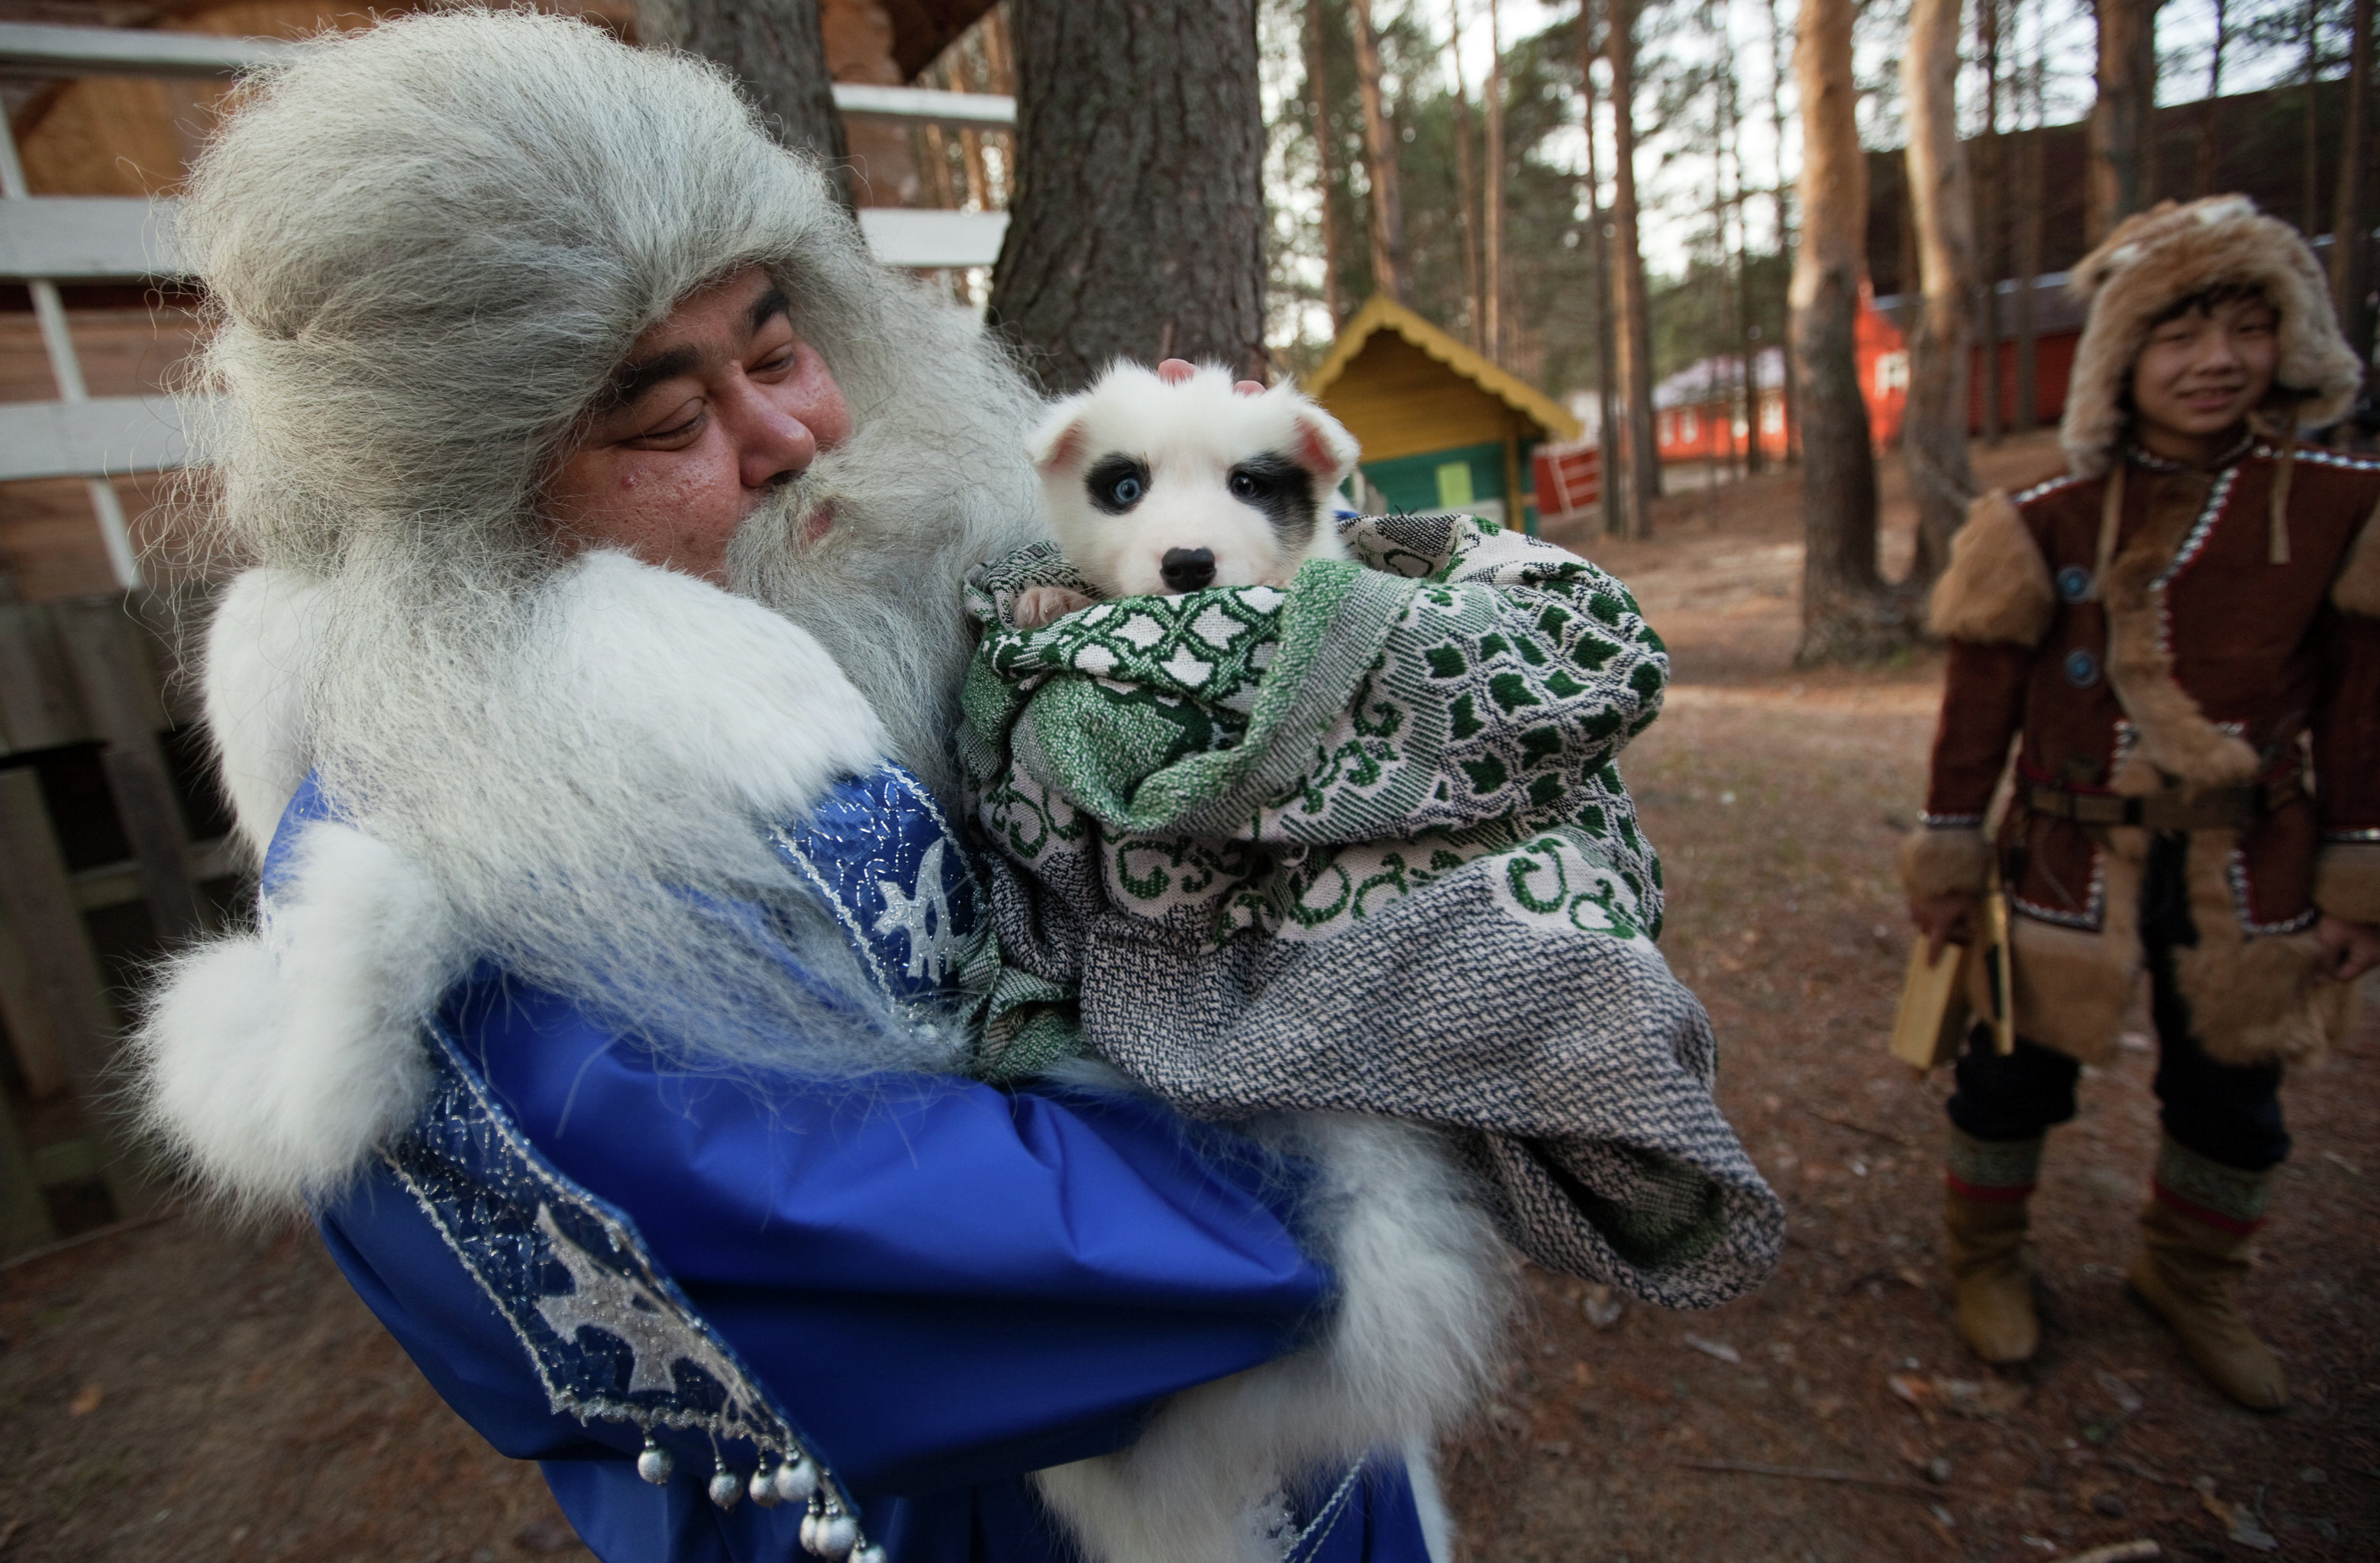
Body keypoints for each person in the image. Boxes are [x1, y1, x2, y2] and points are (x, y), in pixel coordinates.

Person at [133, 12, 1511, 1561]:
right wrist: (1420, 1043)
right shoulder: (447, 948)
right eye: (666, 418)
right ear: (466, 513)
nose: (792, 433)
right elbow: (1029, 1262)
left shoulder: (850, 591)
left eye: (777, 342)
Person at [1900, 195, 2380, 1410]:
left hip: (2248, 862)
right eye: (2176, 335)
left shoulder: (2340, 508)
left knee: (2233, 1092)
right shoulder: (2038, 523)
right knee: (2008, 1076)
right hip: (2062, 860)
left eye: (2244, 326)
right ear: (2121, 358)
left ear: (2290, 338)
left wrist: (2356, 883)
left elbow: (2360, 711)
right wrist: (1950, 869)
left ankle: (2189, 1280)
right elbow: (1973, 728)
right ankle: (1986, 1263)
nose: (2215, 361)